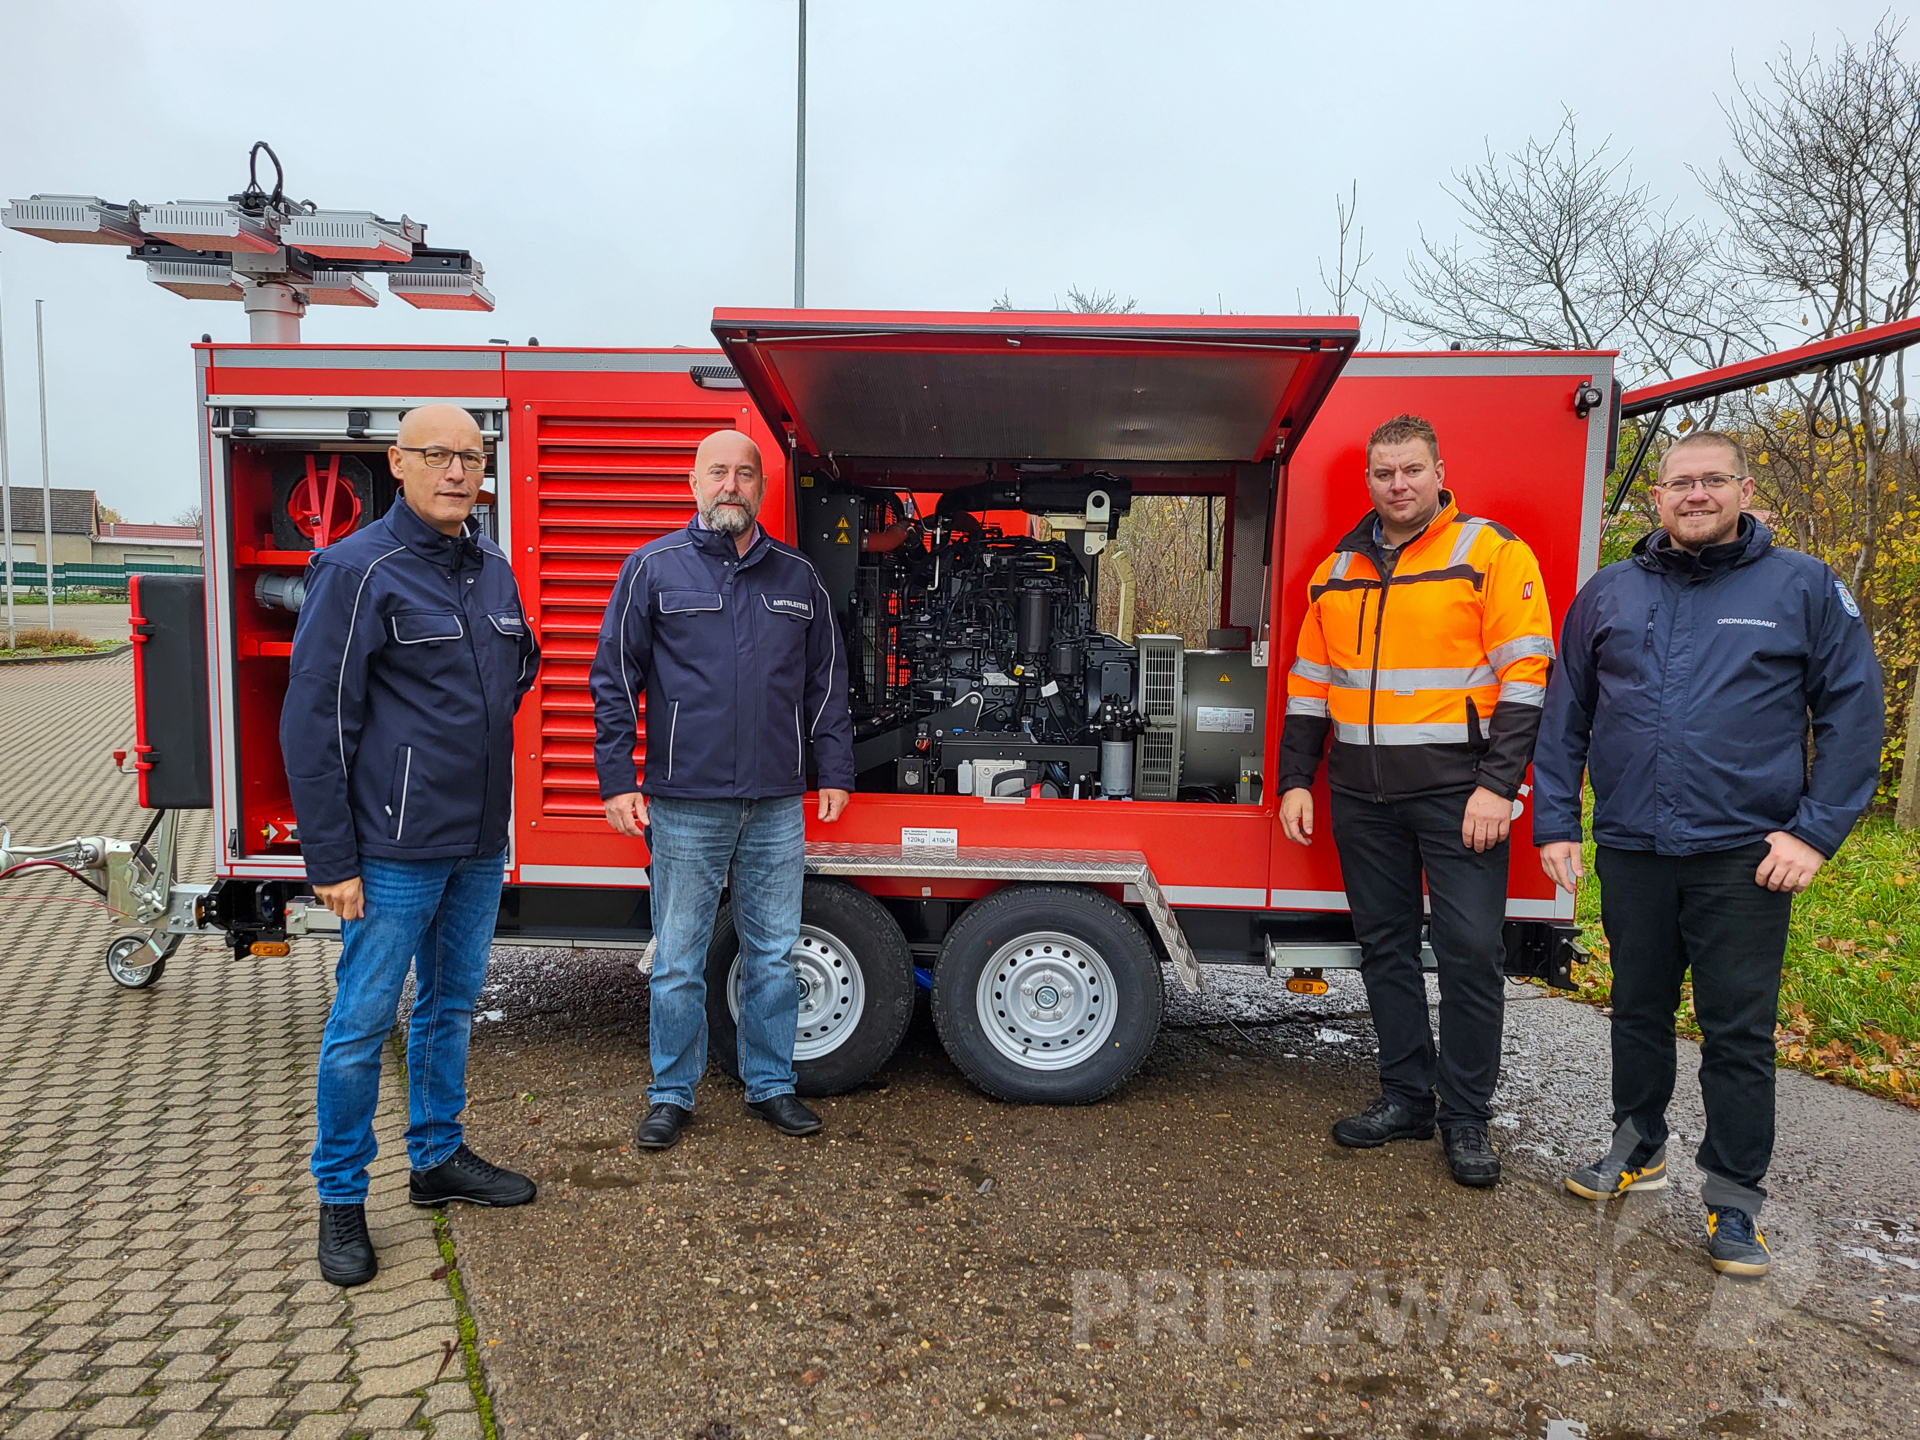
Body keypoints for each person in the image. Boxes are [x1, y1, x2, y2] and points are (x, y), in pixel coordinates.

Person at [1533, 430, 1882, 1277]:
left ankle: (1733, 1204)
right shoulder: (1610, 593)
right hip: (1633, 843)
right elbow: (1565, 712)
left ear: (1744, 490)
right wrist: (1554, 823)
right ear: (1656, 497)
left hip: (1745, 854)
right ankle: (1636, 1148)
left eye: (1712, 481)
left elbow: (1852, 709)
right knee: (1638, 1011)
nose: (1695, 495)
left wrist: (1816, 830)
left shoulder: (1801, 586)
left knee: (1736, 1033)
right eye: (1679, 483)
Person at [283, 404, 542, 1289]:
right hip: (389, 851)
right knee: (360, 1025)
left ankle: (437, 1159)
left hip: (473, 839)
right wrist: (333, 858)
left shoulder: (492, 571)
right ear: (396, 462)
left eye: (472, 456)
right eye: (437, 455)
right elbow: (314, 718)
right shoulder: (356, 570)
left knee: (450, 1006)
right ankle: (341, 1199)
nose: (458, 472)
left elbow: (519, 668)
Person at [1278, 414, 1553, 1187]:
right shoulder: (1336, 570)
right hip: (1360, 796)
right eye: (1383, 473)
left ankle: (1465, 1119)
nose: (1398, 485)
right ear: (1368, 480)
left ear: (1439, 472)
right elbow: (1309, 688)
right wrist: (1297, 778)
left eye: (1411, 470)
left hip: (1458, 796)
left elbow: (1528, 679)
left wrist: (1499, 788)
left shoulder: (1489, 553)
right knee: (1386, 949)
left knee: (1470, 953)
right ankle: (1406, 1098)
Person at [590, 429, 854, 1152]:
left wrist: (832, 770)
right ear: (693, 482)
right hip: (684, 802)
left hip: (775, 801)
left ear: (761, 489)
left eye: (745, 473)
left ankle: (770, 1086)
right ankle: (671, 1094)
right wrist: (617, 779)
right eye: (718, 472)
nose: (730, 484)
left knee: (772, 954)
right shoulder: (653, 570)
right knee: (678, 958)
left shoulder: (797, 578)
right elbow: (613, 680)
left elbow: (825, 685)